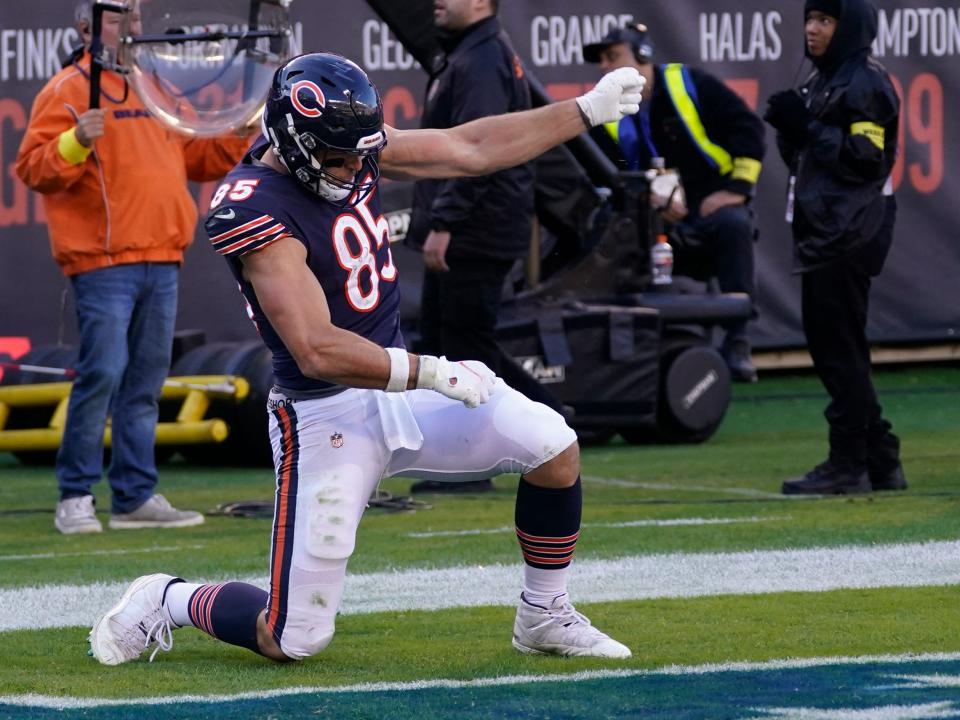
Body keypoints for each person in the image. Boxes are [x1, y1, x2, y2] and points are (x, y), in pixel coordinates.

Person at [88, 52, 643, 665]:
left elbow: (470, 147)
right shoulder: (251, 204)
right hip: (324, 416)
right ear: (296, 143)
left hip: (397, 384)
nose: (356, 168)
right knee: (292, 637)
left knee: (554, 447)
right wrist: (430, 372)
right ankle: (167, 598)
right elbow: (316, 347)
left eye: (362, 153)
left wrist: (584, 110)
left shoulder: (347, 146)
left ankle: (544, 614)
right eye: (340, 158)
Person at [15, 0, 253, 534]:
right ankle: (75, 497)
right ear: (86, 28)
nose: (134, 26)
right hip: (103, 263)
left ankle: (133, 497)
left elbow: (199, 158)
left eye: (137, 16)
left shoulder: (154, 87)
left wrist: (244, 128)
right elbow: (32, 168)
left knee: (145, 382)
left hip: (162, 258)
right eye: (119, 15)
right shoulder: (67, 90)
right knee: (102, 375)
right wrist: (77, 141)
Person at [406, 0, 566, 493]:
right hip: (474, 224)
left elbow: (479, 154)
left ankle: (481, 463)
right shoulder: (470, 52)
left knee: (465, 351)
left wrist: (446, 222)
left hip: (476, 227)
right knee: (445, 342)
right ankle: (548, 424)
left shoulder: (480, 59)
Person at [764, 0, 906, 495]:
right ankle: (882, 458)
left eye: (825, 20)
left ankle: (849, 463)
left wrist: (804, 126)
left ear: (849, 28)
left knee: (839, 351)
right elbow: (811, 159)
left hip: (851, 230)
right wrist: (793, 129)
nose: (812, 29)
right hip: (827, 229)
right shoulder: (825, 78)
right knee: (835, 349)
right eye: (810, 19)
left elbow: (866, 160)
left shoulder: (864, 80)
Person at [583, 23, 766, 383]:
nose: (605, 66)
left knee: (733, 225)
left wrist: (737, 189)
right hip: (646, 218)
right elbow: (601, 177)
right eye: (601, 60)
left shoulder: (688, 84)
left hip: (707, 206)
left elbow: (748, 129)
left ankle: (738, 340)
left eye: (613, 55)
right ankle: (621, 353)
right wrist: (645, 201)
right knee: (606, 236)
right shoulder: (602, 109)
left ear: (644, 55)